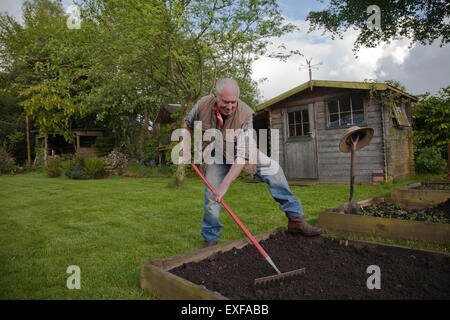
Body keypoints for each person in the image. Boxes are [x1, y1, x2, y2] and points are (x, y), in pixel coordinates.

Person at [184, 78, 322, 247]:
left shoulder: (245, 114)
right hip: (216, 154)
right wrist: (184, 146)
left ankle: (295, 221)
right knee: (212, 196)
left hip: (241, 151)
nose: (229, 107)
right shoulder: (202, 105)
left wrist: (226, 183)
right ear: (215, 97)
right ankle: (210, 240)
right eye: (225, 102)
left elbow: (242, 155)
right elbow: (188, 124)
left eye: (233, 102)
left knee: (274, 170)